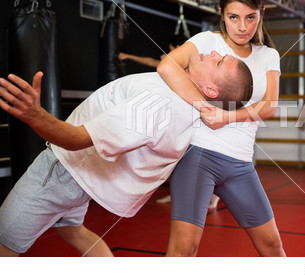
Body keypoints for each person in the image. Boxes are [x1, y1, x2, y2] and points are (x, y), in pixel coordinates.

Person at [0, 51, 253, 257]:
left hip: (64, 170)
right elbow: (170, 63)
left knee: (3, 242)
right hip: (83, 179)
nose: (214, 52)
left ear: (209, 90)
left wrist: (36, 116)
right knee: (74, 232)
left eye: (218, 62)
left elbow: (75, 140)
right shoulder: (188, 103)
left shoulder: (157, 105)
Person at [157, 0, 285, 257]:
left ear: (261, 14)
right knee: (183, 250)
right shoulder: (207, 42)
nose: (242, 27)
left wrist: (225, 117)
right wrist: (205, 107)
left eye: (251, 17)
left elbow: (270, 106)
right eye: (233, 17)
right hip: (199, 156)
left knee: (273, 246)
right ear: (221, 14)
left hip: (240, 164)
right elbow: (167, 66)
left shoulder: (269, 56)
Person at [118, 34, 188, 68]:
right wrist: (128, 56)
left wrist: (167, 62)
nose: (169, 52)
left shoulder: (188, 63)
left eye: (170, 49)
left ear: (178, 47)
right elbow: (151, 62)